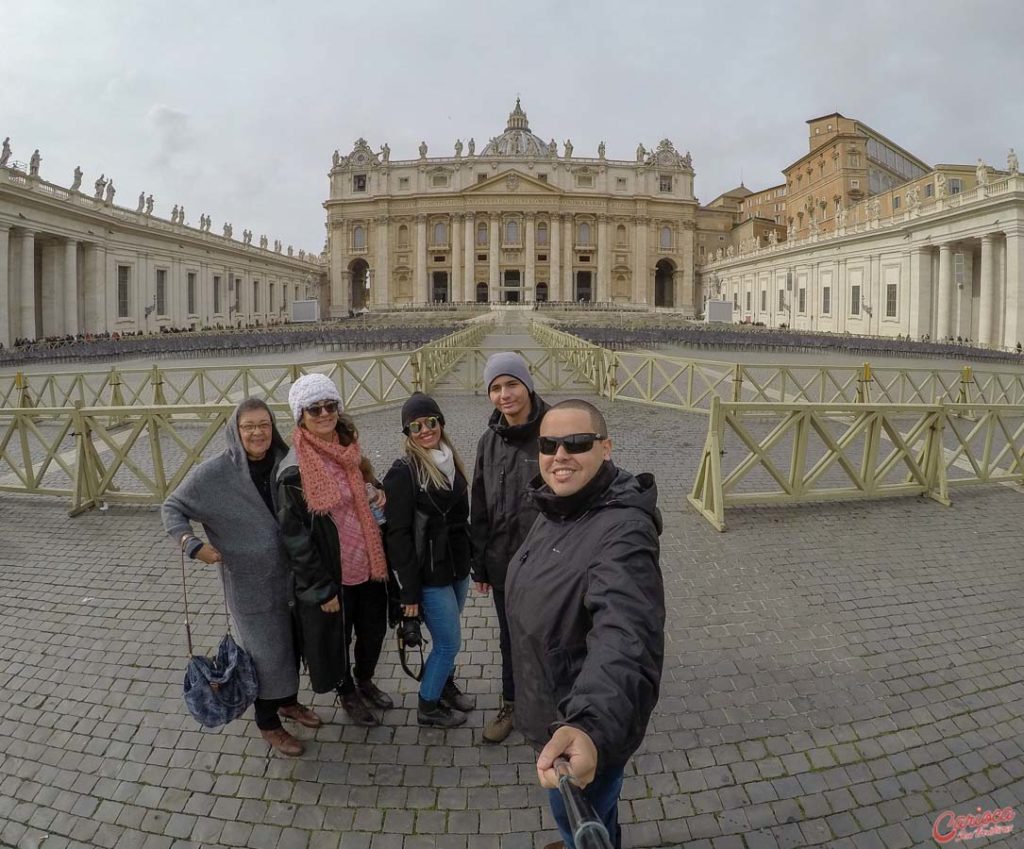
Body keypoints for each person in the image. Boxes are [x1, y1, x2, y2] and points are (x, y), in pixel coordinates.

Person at [505, 399, 665, 849]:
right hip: (552, 701)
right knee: (585, 810)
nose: (560, 455)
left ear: (606, 447)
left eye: (576, 443)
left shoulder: (623, 531)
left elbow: (627, 636)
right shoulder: (560, 505)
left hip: (577, 724)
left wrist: (589, 727)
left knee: (581, 809)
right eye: (549, 443)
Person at [162, 398, 321, 757]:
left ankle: (288, 702)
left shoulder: (285, 460)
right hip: (250, 584)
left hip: (295, 577)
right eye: (248, 426)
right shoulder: (215, 473)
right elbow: (172, 507)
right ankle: (268, 724)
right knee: (266, 656)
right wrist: (192, 545)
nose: (257, 433)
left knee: (294, 644)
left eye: (263, 425)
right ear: (235, 430)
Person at [276, 373, 393, 727]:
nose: (325, 413)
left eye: (330, 406)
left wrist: (378, 489)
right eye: (315, 409)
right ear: (301, 417)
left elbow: (365, 484)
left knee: (373, 632)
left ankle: (365, 679)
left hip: (370, 564)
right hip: (334, 573)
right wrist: (321, 588)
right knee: (338, 639)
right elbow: (295, 539)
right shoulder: (294, 471)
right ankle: (346, 691)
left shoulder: (348, 449)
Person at [470, 352, 550, 743]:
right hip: (504, 563)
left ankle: (558, 707)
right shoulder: (489, 441)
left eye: (511, 384)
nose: (505, 395)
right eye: (496, 388)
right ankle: (512, 703)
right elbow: (479, 505)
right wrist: (481, 565)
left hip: (551, 564)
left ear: (528, 385)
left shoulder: (556, 432)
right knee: (509, 638)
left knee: (555, 634)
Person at [382, 393, 475, 727]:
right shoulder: (404, 472)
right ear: (407, 433)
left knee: (446, 636)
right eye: (415, 426)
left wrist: (475, 558)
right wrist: (409, 593)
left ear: (441, 424)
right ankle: (428, 705)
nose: (425, 430)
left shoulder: (452, 460)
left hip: (457, 567)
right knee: (449, 642)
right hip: (429, 574)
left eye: (430, 422)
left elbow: (461, 519)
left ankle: (445, 686)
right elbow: (398, 537)